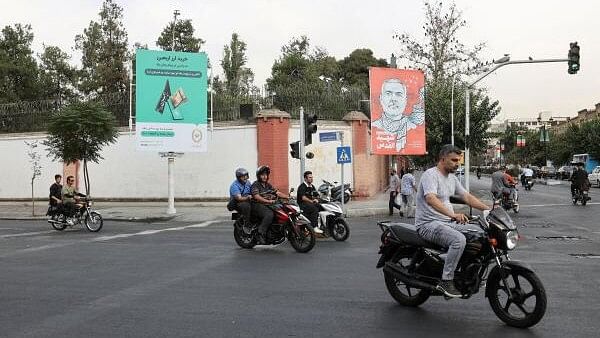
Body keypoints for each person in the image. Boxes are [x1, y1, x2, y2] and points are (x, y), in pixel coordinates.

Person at [415, 144, 490, 298]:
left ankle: (467, 273)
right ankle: (446, 280)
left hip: (446, 222)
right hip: (428, 224)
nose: (457, 164)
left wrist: (488, 208)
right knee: (458, 240)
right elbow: (431, 199)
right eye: (454, 160)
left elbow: (467, 197)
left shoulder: (452, 178)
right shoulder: (431, 175)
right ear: (443, 159)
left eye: (459, 161)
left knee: (481, 234)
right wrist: (453, 215)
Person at [371, 79, 425, 151]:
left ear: (405, 100)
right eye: (388, 93)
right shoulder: (374, 127)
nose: (393, 99)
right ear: (381, 98)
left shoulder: (413, 127)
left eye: (398, 94)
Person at [251, 165, 290, 244]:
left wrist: (288, 197)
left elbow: (277, 192)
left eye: (266, 174)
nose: (264, 176)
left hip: (268, 203)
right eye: (262, 175)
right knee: (269, 214)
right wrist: (267, 201)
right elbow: (256, 196)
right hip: (257, 205)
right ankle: (260, 233)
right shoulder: (255, 184)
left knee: (282, 210)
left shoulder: (268, 185)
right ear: (259, 176)